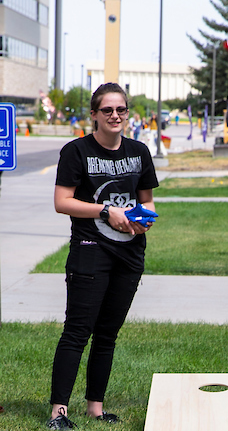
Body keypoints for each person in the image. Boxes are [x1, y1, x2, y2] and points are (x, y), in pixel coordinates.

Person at [47, 82, 159, 430]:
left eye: (121, 109)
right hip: (90, 252)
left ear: (128, 113)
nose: (115, 115)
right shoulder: (76, 151)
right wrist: (105, 210)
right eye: (107, 110)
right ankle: (58, 413)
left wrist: (143, 222)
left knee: (108, 333)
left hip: (129, 254)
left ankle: (96, 407)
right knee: (78, 331)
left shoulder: (139, 151)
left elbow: (148, 201)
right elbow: (62, 201)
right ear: (94, 115)